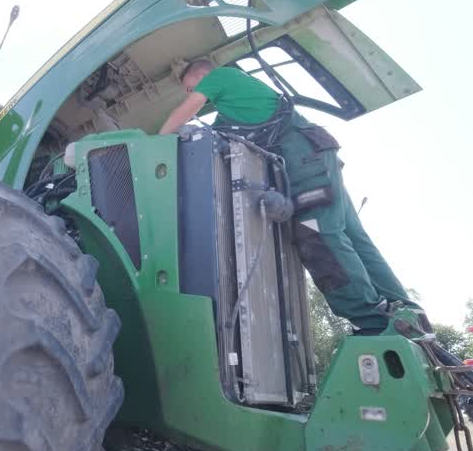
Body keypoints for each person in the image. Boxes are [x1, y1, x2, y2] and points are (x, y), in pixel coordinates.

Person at [158, 58, 419, 334]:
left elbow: (184, 113)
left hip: (304, 162)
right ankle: (403, 306)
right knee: (354, 236)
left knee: (319, 236)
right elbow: (217, 135)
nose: (190, 94)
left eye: (190, 87)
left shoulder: (222, 76)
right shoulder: (237, 104)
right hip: (318, 159)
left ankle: (371, 321)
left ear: (203, 77)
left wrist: (160, 140)